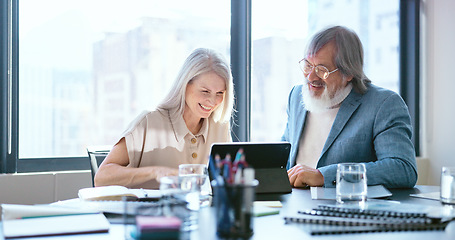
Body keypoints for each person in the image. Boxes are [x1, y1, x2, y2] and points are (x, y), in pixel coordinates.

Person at [283, 26, 417, 189]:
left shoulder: (384, 104)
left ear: (348, 73)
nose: (311, 77)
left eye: (322, 70)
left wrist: (324, 176)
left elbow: (402, 169)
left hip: (349, 206)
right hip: (295, 201)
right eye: (308, 65)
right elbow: (285, 154)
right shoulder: (297, 95)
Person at [94, 48, 234, 189]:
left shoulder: (221, 128)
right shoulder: (148, 123)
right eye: (205, 91)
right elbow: (101, 177)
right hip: (147, 210)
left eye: (219, 93)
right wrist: (155, 172)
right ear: (185, 85)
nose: (212, 101)